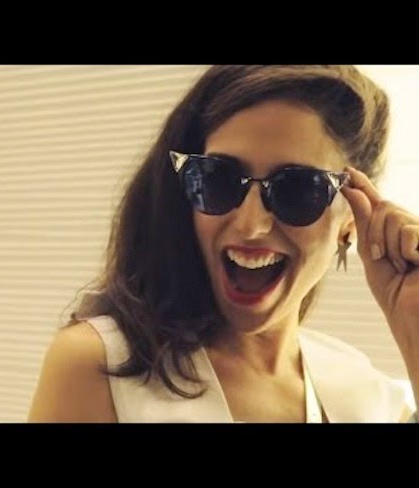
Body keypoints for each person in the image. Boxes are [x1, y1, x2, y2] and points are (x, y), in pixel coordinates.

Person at [27, 65, 419, 423]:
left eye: (298, 190)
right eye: (217, 180)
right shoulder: (101, 366)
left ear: (351, 220)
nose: (250, 226)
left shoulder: (364, 394)